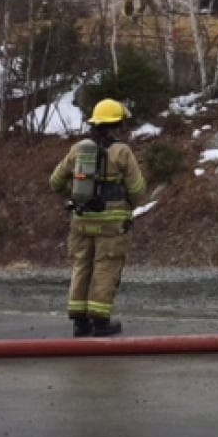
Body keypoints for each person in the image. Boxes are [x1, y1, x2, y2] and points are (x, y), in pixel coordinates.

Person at [49, 97, 147, 337]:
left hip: (81, 219)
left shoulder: (78, 150)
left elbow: (55, 182)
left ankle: (79, 322)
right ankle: (101, 322)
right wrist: (126, 207)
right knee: (106, 266)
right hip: (112, 223)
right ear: (117, 125)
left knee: (82, 264)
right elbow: (137, 190)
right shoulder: (121, 152)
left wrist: (73, 196)